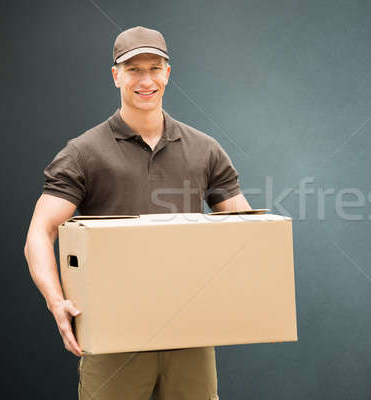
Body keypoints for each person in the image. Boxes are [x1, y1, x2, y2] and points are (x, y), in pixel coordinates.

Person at [23, 26, 251, 400]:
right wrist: (55, 299)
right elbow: (40, 232)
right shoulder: (84, 152)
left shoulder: (204, 150)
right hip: (114, 338)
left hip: (190, 335)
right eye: (133, 70)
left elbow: (243, 231)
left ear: (167, 73)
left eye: (154, 68)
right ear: (116, 76)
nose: (146, 80)